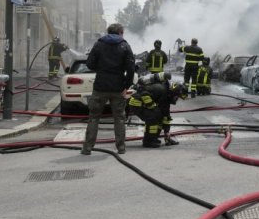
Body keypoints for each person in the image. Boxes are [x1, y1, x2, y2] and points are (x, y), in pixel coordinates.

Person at [81, 23, 135, 155]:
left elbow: (89, 64)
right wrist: (126, 87)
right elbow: (131, 69)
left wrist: (101, 68)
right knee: (119, 118)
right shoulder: (125, 45)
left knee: (94, 117)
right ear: (120, 32)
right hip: (118, 87)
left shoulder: (99, 44)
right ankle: (121, 148)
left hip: (100, 87)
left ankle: (87, 148)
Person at [126, 72, 188, 148]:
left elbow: (166, 115)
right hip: (136, 103)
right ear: (174, 92)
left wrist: (167, 133)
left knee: (160, 115)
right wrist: (151, 105)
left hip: (142, 104)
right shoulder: (160, 89)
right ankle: (148, 141)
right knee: (154, 116)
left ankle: (153, 138)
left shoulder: (166, 97)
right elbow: (143, 92)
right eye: (177, 97)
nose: (176, 99)